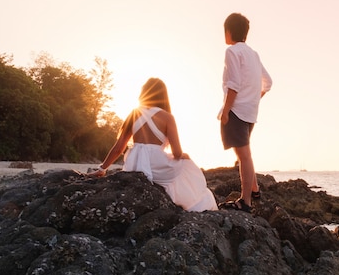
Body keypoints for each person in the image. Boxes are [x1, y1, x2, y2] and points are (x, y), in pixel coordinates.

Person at [90, 78, 218, 212]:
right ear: (163, 96)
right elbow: (176, 153)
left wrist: (102, 169)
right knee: (188, 167)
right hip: (156, 163)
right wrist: (184, 156)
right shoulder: (167, 117)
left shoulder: (134, 113)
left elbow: (118, 148)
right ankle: (192, 206)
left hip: (134, 162)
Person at [218, 12, 272, 212]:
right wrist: (253, 98)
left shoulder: (232, 52)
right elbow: (268, 82)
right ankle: (255, 190)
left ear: (229, 31)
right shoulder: (253, 54)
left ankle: (245, 201)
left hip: (237, 111)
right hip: (250, 112)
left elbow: (233, 85)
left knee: (244, 156)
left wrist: (226, 111)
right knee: (245, 153)